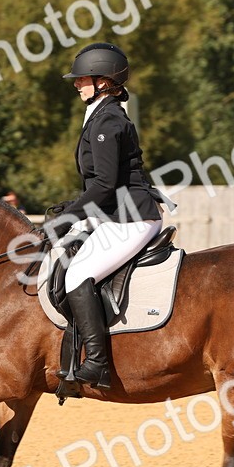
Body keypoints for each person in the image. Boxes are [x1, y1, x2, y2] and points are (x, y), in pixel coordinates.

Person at [53, 42, 164, 389]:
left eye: (82, 78)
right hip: (117, 214)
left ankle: (98, 364)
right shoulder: (102, 116)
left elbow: (103, 183)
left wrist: (69, 214)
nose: (76, 84)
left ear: (103, 81)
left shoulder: (109, 120)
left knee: (78, 274)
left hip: (132, 217)